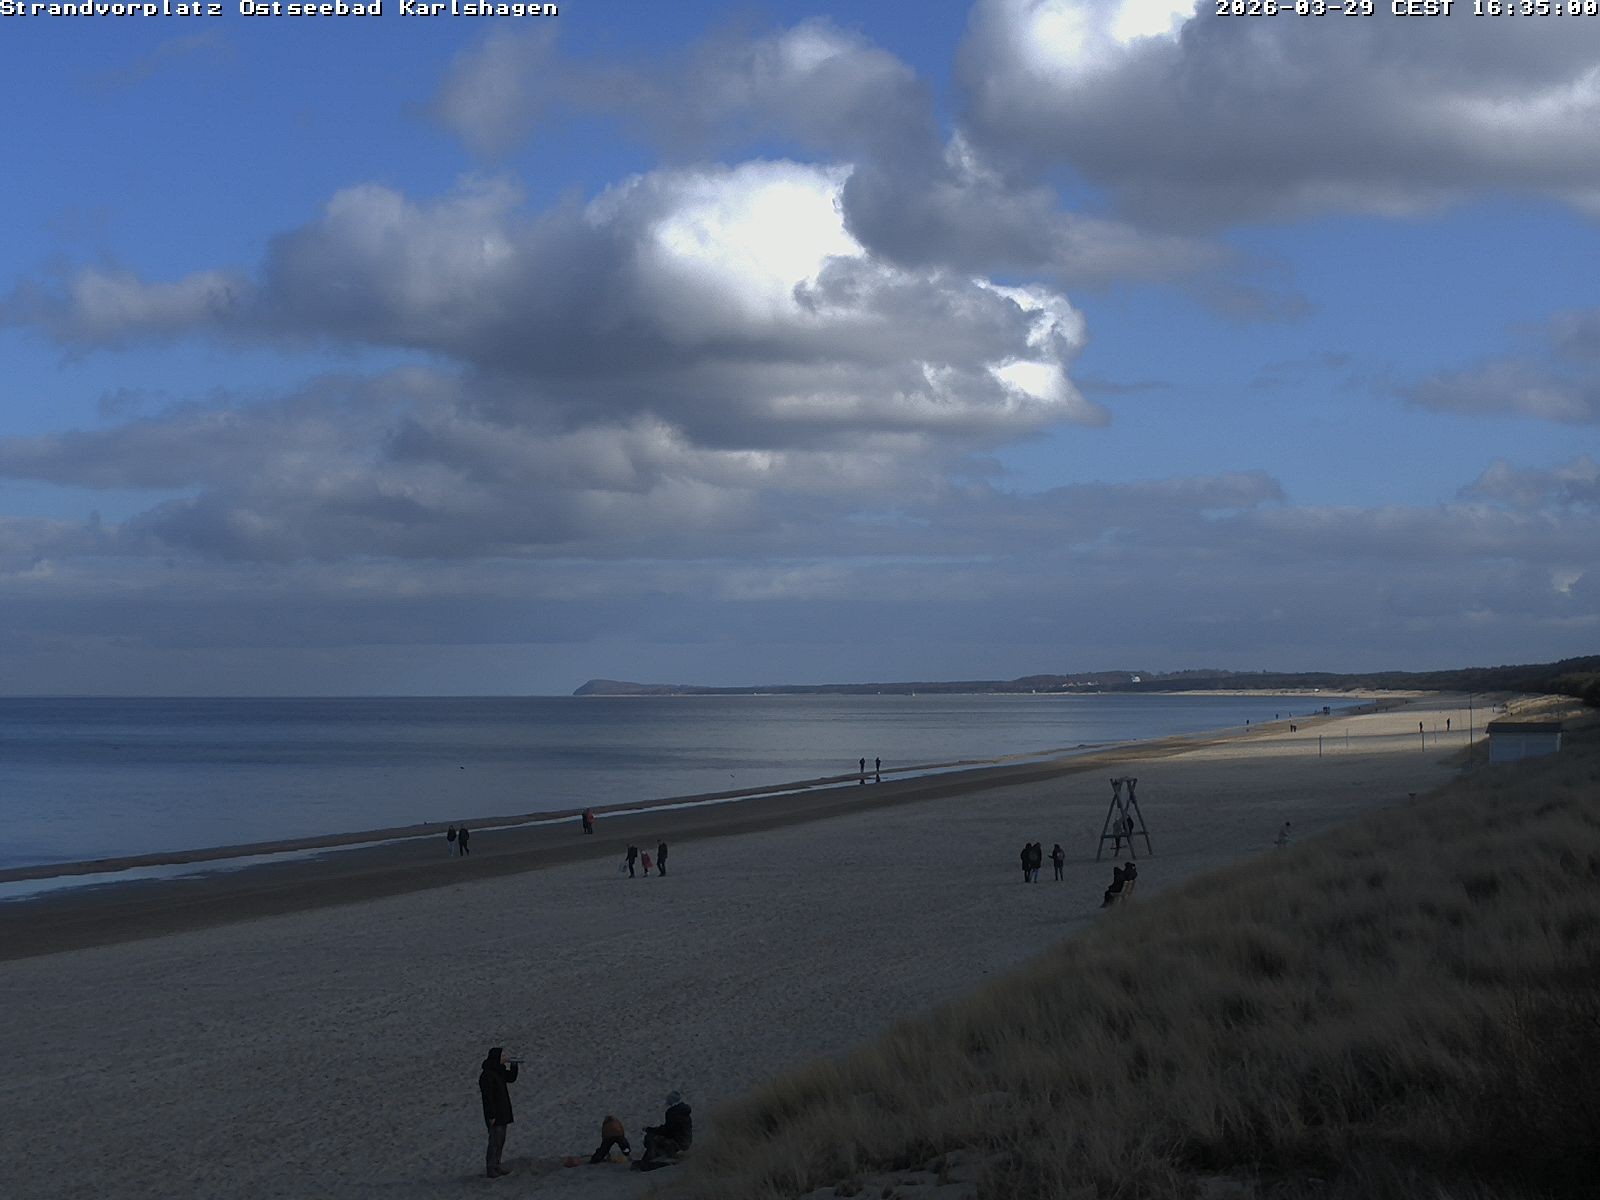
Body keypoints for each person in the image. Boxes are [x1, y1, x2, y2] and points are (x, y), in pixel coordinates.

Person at [478, 1047, 519, 1178]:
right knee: (494, 1142)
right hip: (495, 1115)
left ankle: (497, 1166)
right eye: (503, 1056)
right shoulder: (487, 1075)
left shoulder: (498, 1071)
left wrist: (514, 1065)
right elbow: (487, 1098)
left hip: (502, 1113)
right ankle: (491, 1169)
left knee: (500, 1142)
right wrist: (491, 1115)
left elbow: (511, 1078)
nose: (505, 1058)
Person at [638, 1090, 692, 1169]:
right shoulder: (684, 1110)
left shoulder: (672, 1112)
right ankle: (657, 1156)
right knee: (657, 1137)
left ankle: (650, 1159)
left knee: (651, 1137)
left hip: (678, 1142)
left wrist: (650, 1130)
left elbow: (667, 1130)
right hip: (686, 1141)